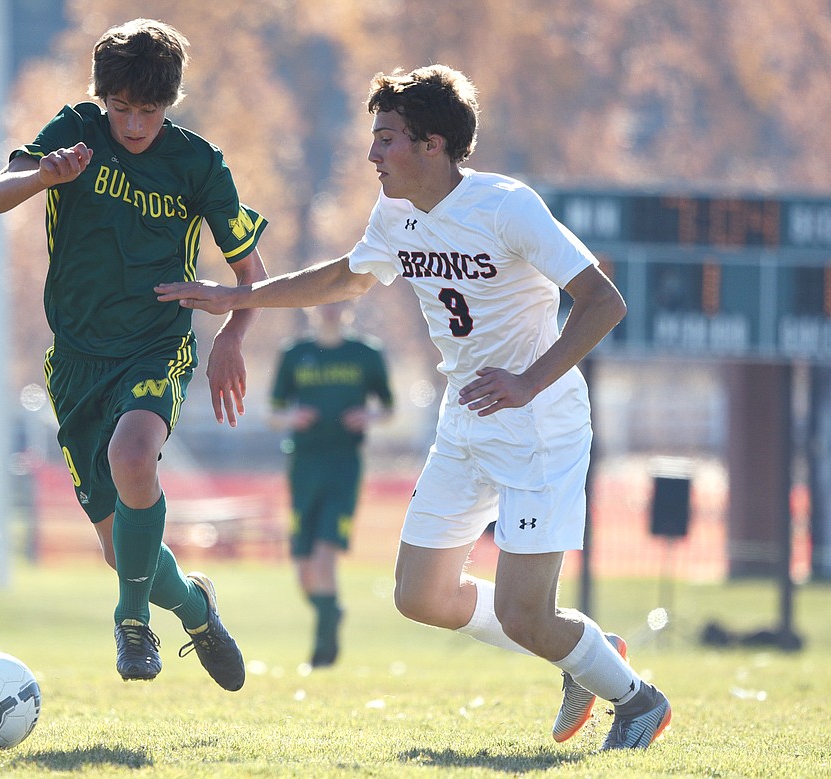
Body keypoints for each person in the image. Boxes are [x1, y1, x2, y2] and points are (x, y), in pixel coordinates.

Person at [157, 65, 672, 749]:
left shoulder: (505, 206)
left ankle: (637, 701)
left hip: (540, 425)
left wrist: (527, 380)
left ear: (433, 144)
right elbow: (346, 276)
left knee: (526, 614)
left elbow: (604, 301)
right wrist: (238, 297)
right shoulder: (395, 213)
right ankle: (582, 651)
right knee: (420, 595)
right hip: (465, 420)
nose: (373, 154)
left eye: (386, 139)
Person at [0, 18, 268, 692]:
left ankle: (132, 622)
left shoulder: (199, 163)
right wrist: (42, 175)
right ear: (100, 96)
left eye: (149, 110)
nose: (133, 124)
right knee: (122, 550)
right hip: (76, 362)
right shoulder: (74, 129)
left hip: (155, 344)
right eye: (120, 108)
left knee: (134, 456)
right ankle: (196, 608)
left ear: (171, 103)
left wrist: (230, 335)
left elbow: (253, 275)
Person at [268, 301, 393, 668]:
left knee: (324, 558)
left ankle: (324, 652)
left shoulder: (366, 353)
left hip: (344, 466)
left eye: (339, 299)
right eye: (323, 299)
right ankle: (331, 612)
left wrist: (368, 414)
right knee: (305, 572)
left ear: (351, 305)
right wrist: (292, 416)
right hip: (303, 467)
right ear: (311, 306)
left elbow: (388, 406)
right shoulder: (295, 354)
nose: (331, 308)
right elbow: (273, 412)